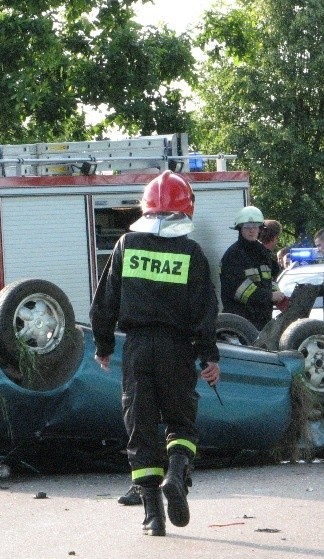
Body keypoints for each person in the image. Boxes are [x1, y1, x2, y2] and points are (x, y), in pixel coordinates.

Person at [90, 170, 220, 536]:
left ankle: (152, 516)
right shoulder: (191, 252)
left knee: (141, 428)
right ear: (186, 210)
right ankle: (177, 475)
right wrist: (209, 357)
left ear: (145, 208)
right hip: (177, 350)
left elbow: (105, 302)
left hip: (137, 350)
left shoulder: (126, 246)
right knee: (181, 424)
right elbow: (205, 311)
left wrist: (103, 345)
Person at [219, 207, 286, 331]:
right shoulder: (233, 255)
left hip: (263, 321)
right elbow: (239, 290)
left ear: (260, 229)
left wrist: (279, 296)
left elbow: (269, 279)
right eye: (247, 227)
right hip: (241, 325)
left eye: (255, 227)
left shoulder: (262, 253)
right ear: (240, 229)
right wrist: (270, 296)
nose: (252, 230)